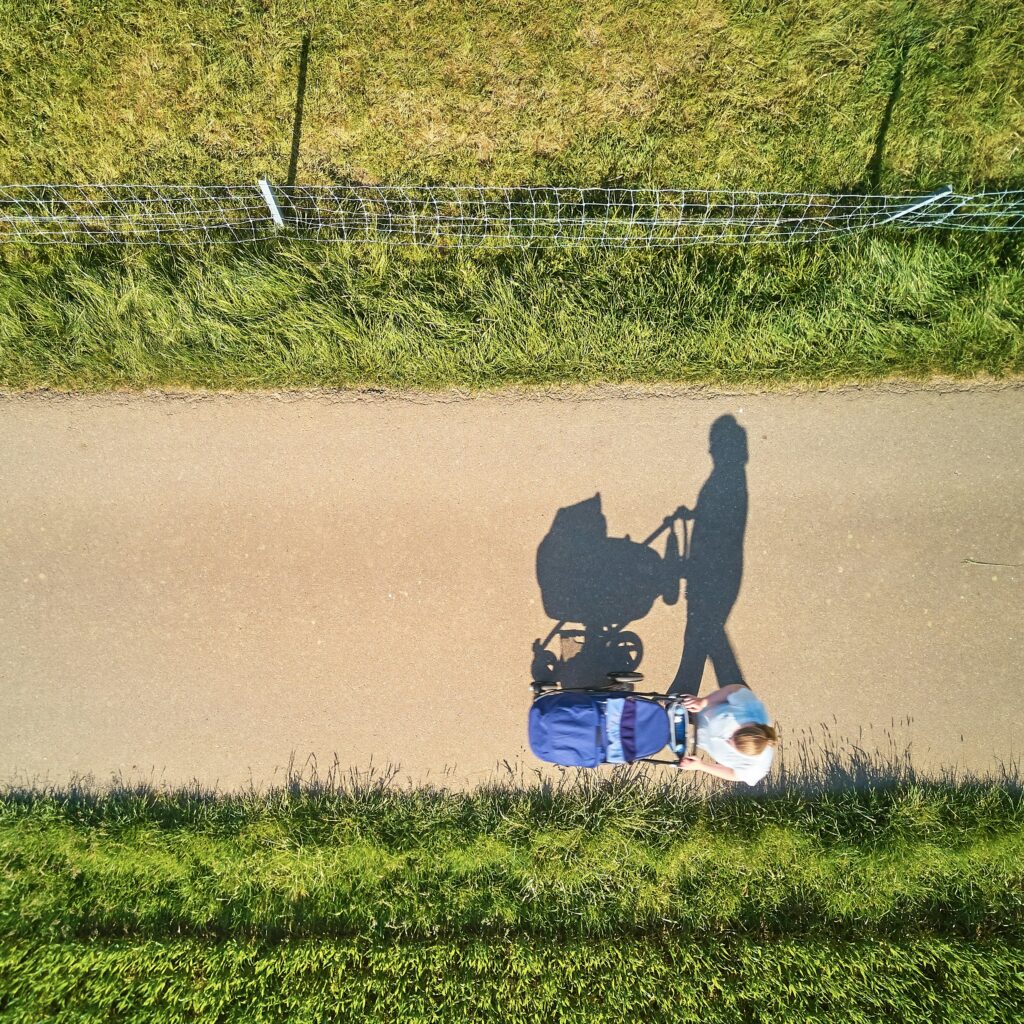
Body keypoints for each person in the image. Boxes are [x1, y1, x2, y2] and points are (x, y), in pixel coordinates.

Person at [677, 684, 776, 785]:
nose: (728, 741)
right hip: (707, 711)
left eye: (734, 747)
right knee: (671, 705)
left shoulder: (756, 768)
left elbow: (734, 774)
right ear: (748, 727)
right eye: (733, 735)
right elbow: (733, 690)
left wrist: (701, 766)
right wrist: (703, 702)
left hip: (704, 738)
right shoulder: (751, 709)